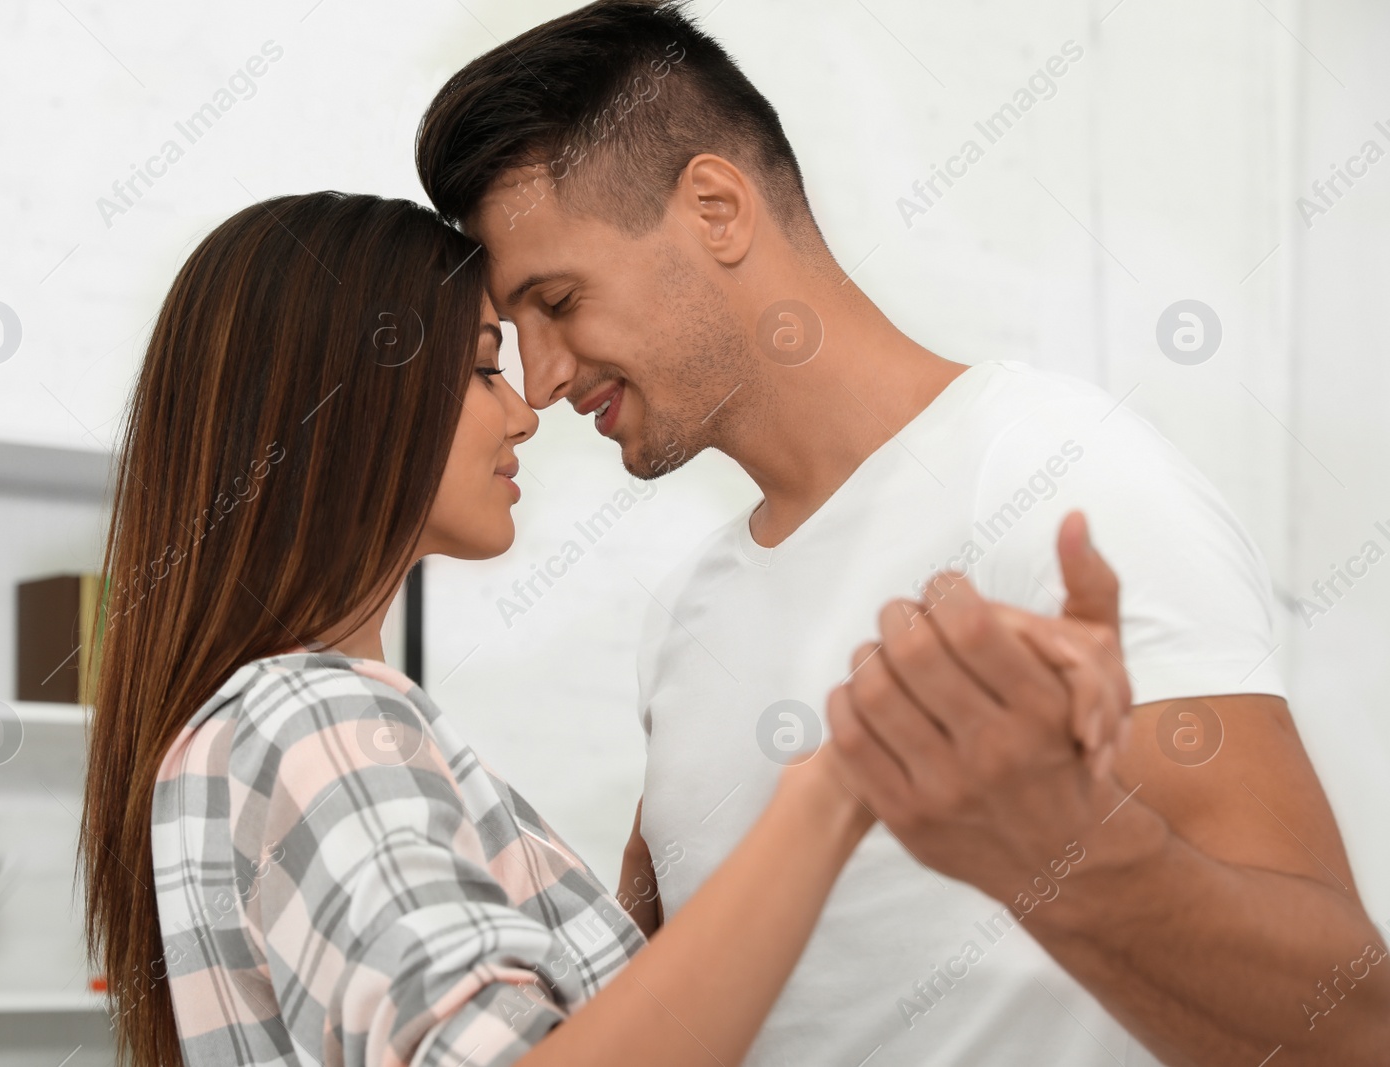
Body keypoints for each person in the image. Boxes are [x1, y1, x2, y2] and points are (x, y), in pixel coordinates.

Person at [413, 2, 1389, 1065]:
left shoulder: (1059, 482)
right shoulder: (685, 618)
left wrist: (1058, 848)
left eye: (557, 300)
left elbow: (1348, 1023)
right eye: (515, 336)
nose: (542, 378)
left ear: (715, 208)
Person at [78, 192, 1122, 1067]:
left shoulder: (244, 733)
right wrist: (841, 782)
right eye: (487, 363)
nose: (528, 407)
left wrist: (629, 928)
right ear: (346, 400)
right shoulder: (314, 716)